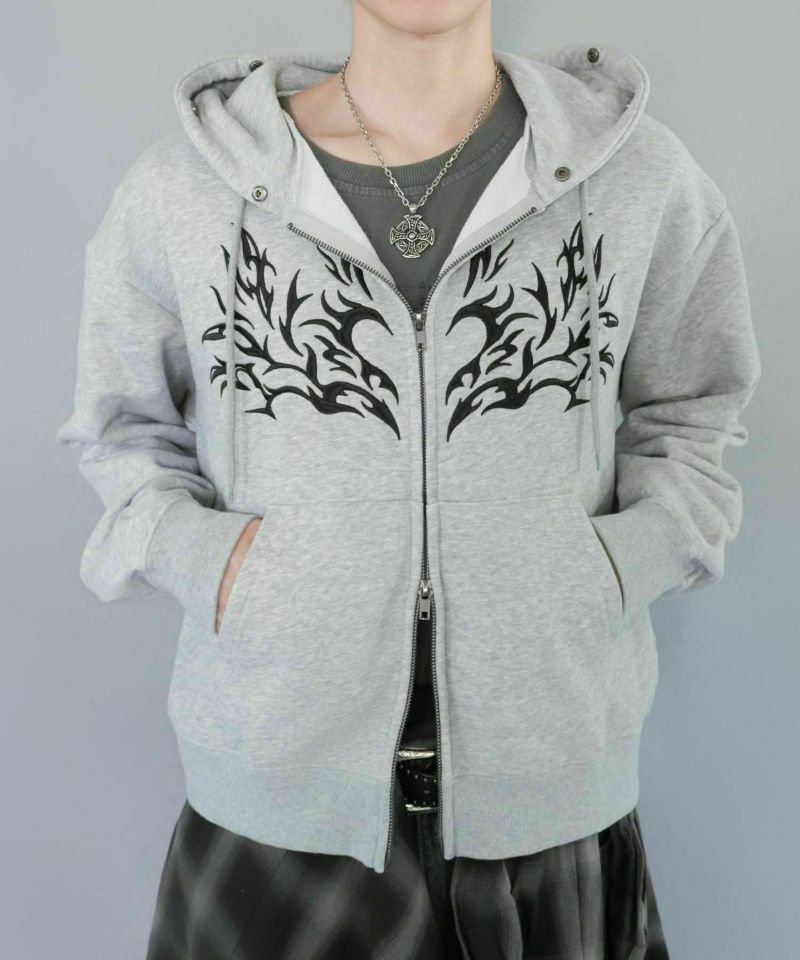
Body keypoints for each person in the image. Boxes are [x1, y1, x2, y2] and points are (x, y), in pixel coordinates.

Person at [56, 1, 761, 957]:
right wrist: (218, 566)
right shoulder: (186, 185)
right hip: (273, 809)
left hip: (552, 808)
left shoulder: (639, 176)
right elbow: (119, 427)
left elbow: (697, 411)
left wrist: (606, 569)